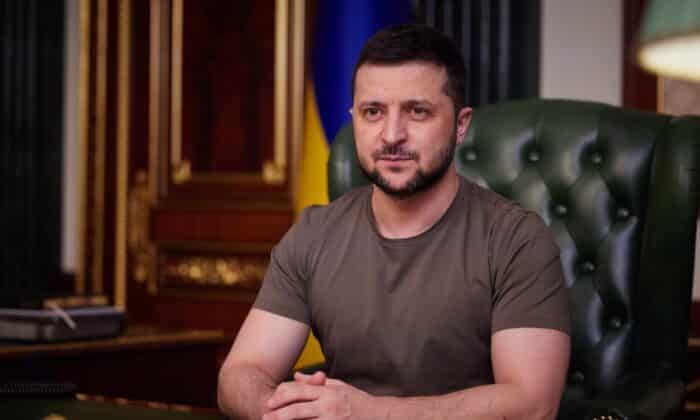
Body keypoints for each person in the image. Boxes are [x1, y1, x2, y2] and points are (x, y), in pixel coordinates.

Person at [217, 24, 570, 420]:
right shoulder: (313, 234)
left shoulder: (517, 240)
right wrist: (282, 412)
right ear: (353, 119)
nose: (391, 135)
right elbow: (239, 375)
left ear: (461, 125)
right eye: (373, 112)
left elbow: (532, 405)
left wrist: (368, 413)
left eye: (417, 111)